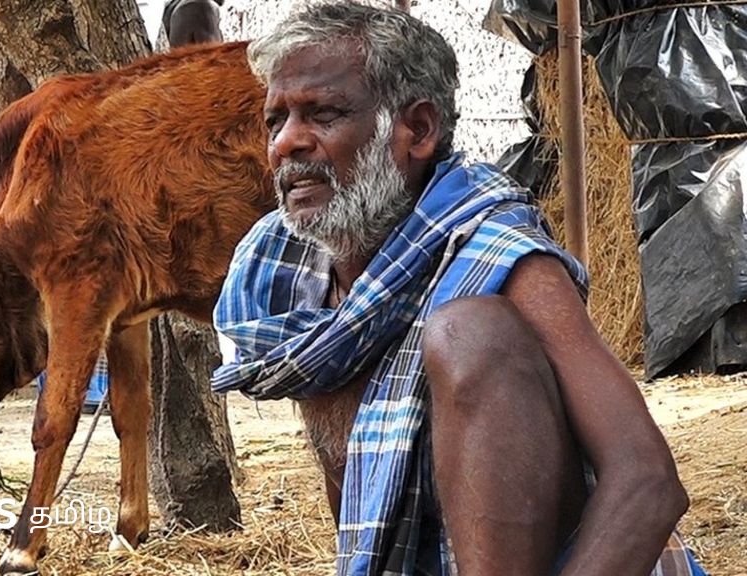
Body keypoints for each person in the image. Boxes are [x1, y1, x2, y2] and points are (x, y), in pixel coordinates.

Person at [211, 2, 706, 575]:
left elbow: (646, 480)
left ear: (417, 130)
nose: (286, 144)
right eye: (276, 120)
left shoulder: (497, 253)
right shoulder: (282, 271)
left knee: (470, 332)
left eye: (322, 114)